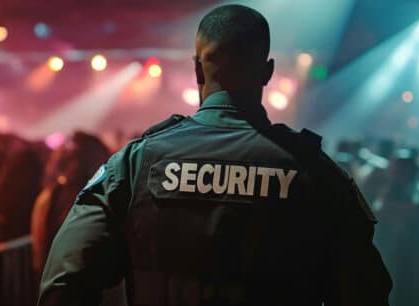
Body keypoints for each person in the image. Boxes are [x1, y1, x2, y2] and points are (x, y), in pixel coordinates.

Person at [38, 5, 391, 306]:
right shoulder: (317, 173)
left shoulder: (136, 164)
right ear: (267, 72)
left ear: (197, 70)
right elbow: (366, 293)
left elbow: (63, 284)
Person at [31, 132, 110, 274]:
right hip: (103, 282)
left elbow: (40, 254)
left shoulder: (50, 198)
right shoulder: (111, 193)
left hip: (61, 279)